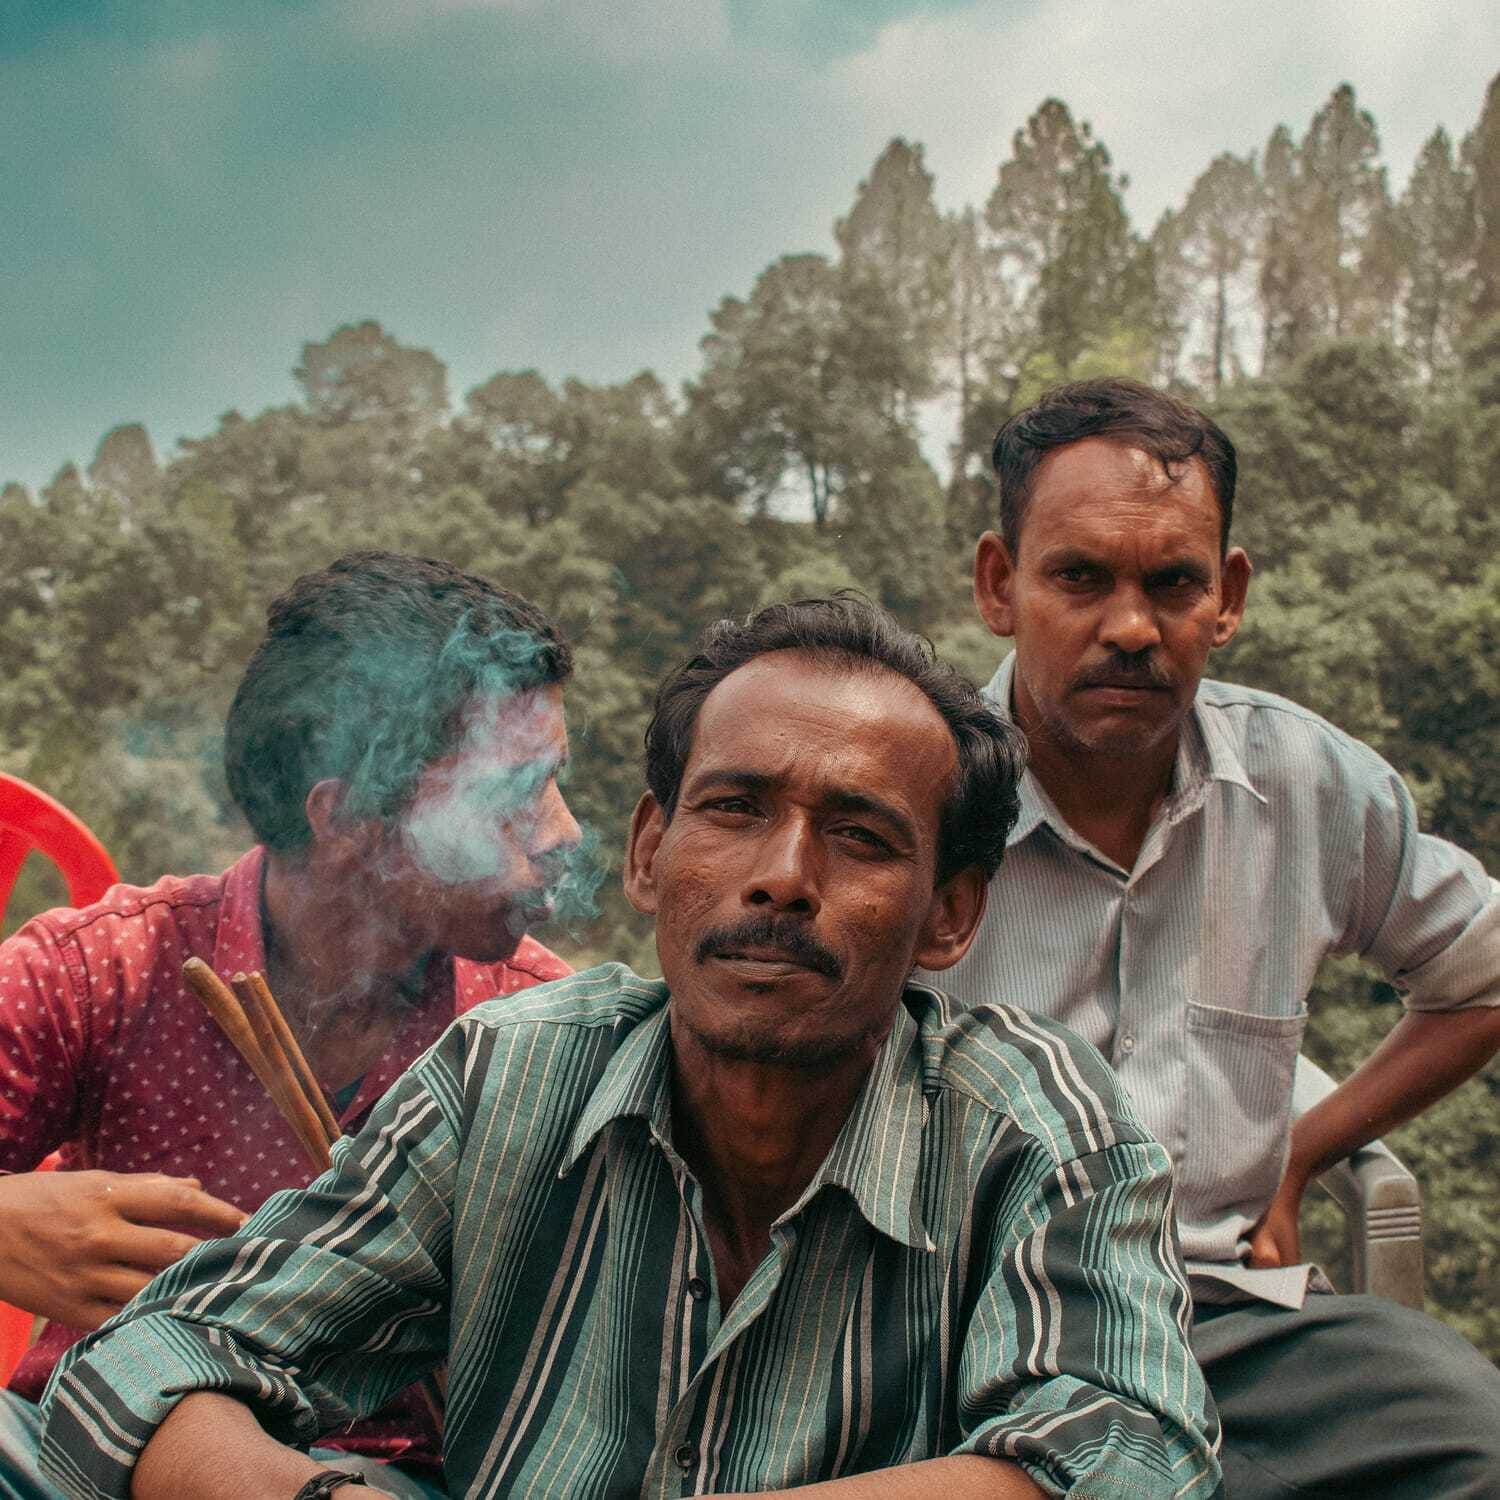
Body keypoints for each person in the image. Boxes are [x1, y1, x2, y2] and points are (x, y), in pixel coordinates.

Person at [38, 596, 1221, 1500]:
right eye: (734, 809)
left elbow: (1127, 1451)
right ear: (653, 852)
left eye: (860, 838)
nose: (782, 878)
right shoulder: (509, 1075)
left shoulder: (1031, 1123)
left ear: (951, 915)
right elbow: (150, 1356)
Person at [922, 376, 1500, 1497]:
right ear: (1002, 585)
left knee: (1473, 1444)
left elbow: (1480, 977)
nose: (1131, 628)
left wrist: (1302, 1150)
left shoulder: (1306, 785)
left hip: (1218, 1321)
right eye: (1080, 577)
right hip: (954, 1324)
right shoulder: (915, 790)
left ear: (1226, 597)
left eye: (1173, 583)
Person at [0, 551, 585, 1500]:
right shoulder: (101, 969)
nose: (562, 833)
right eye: (512, 793)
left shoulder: (539, 1023)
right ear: (347, 816)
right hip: (90, 1451)